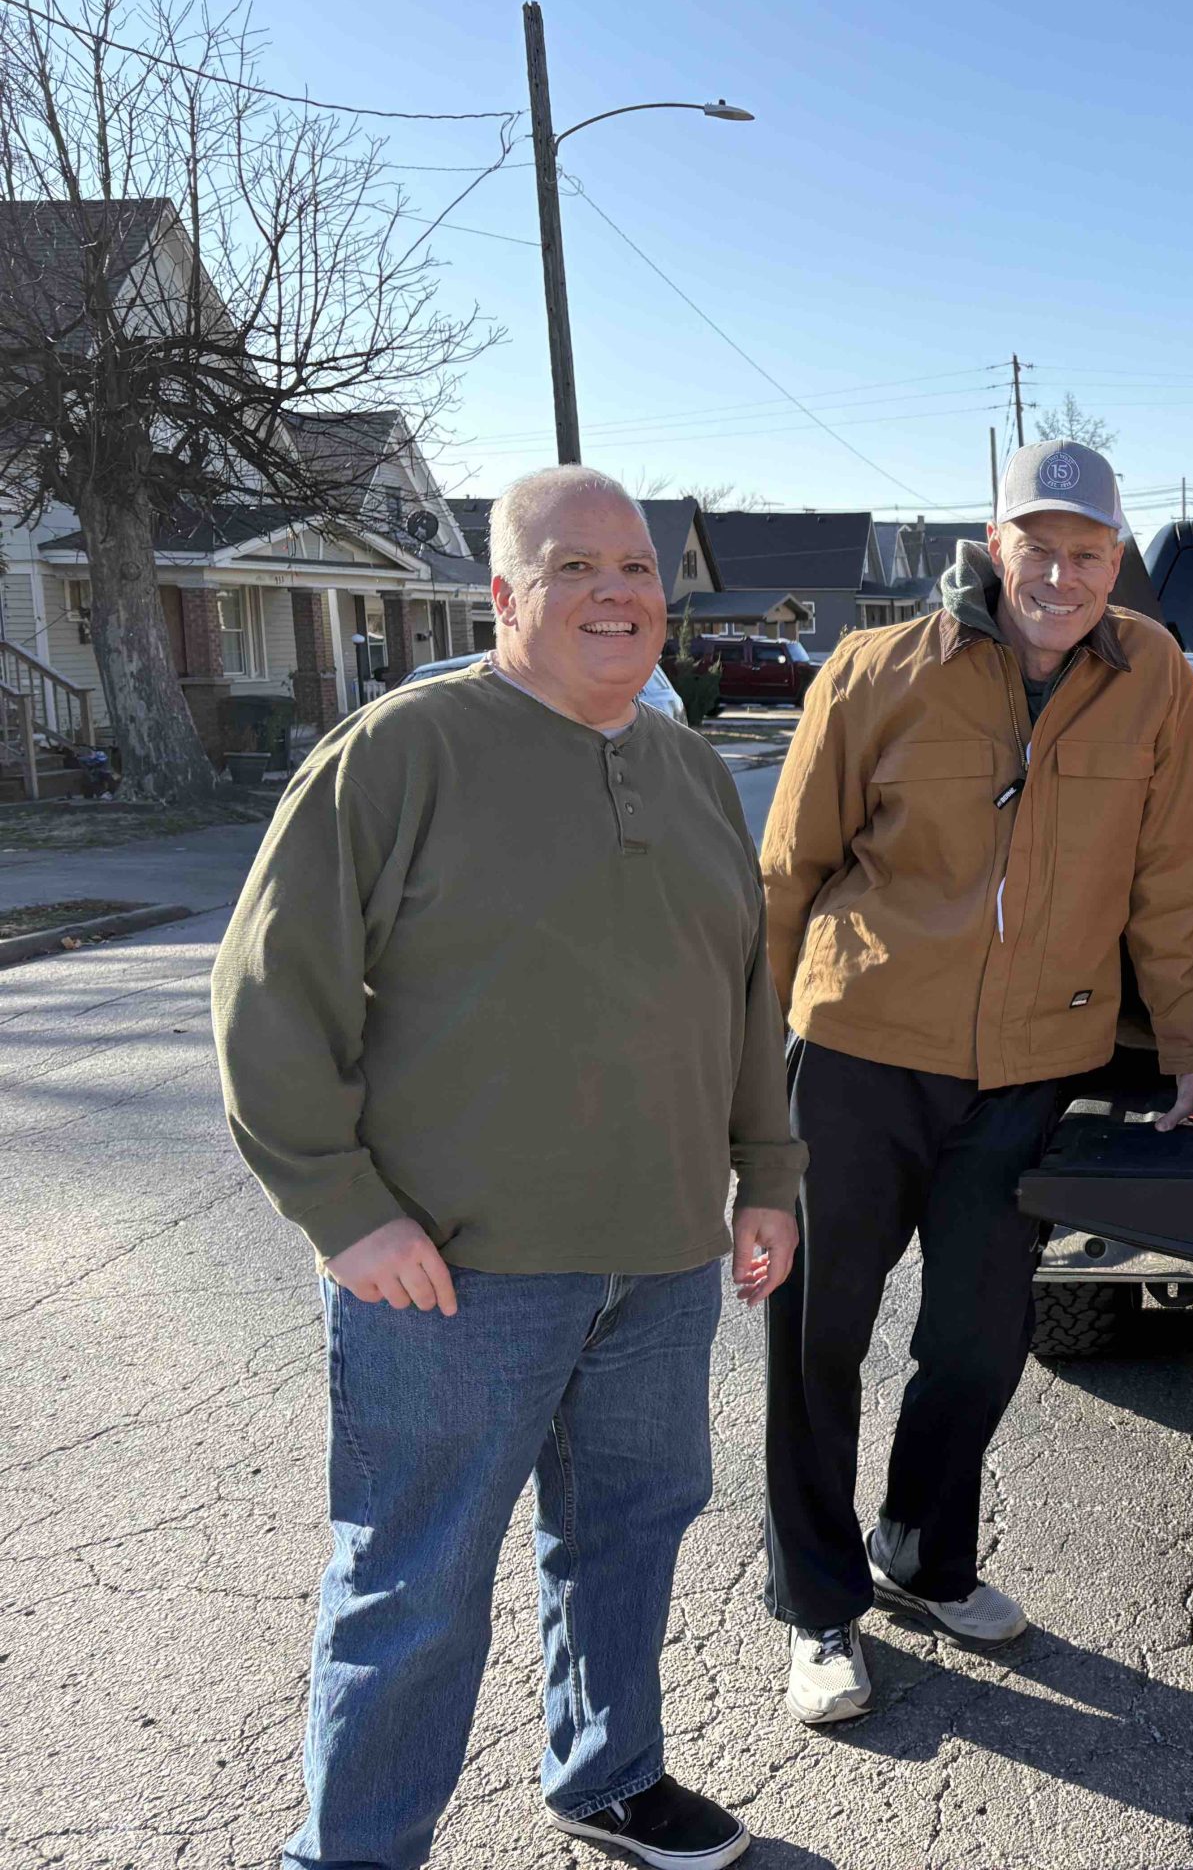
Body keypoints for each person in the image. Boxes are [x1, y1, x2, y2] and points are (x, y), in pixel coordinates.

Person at [213, 467, 803, 1870]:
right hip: (452, 1274)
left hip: (657, 1258)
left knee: (630, 1534)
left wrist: (765, 1173)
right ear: (503, 595)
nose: (617, 592)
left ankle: (606, 1773)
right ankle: (354, 1852)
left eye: (639, 569)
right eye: (575, 567)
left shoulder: (693, 772)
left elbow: (741, 990)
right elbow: (267, 993)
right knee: (414, 1584)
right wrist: (343, 1213)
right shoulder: (400, 754)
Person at [760, 437, 1193, 1724]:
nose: (1061, 574)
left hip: (1030, 1070)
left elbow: (1176, 876)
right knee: (816, 1335)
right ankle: (817, 1606)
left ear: (1117, 560)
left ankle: (924, 1557)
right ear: (993, 545)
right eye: (1040, 546)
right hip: (856, 1049)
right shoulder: (876, 669)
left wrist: (1189, 1044)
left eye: (1087, 552)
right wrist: (747, 1068)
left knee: (976, 1337)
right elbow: (789, 869)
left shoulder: (1153, 676)